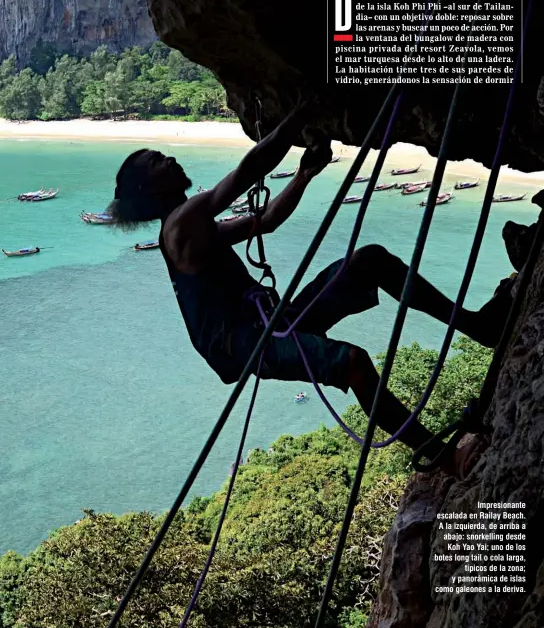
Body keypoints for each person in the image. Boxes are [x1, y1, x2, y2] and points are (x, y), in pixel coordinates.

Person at [107, 102, 512, 479]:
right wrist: (299, 113)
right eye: (157, 162)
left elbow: (265, 221)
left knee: (368, 260)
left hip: (273, 322)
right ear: (149, 189)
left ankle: (477, 327)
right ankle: (442, 457)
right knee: (352, 362)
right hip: (249, 343)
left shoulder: (194, 225)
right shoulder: (179, 225)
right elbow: (245, 174)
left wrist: (303, 175)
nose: (169, 158)